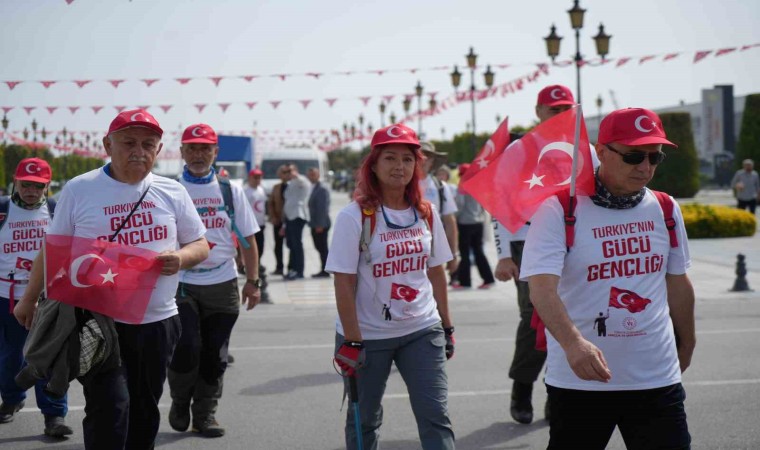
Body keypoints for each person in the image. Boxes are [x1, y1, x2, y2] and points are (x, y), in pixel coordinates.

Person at [14, 109, 209, 450]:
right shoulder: (80, 189)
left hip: (159, 321)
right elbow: (53, 249)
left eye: (149, 144)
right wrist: (30, 297)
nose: (139, 151)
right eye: (129, 142)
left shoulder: (172, 191)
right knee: (110, 407)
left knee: (145, 409)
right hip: (98, 322)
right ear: (108, 144)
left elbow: (201, 244)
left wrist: (180, 258)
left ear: (159, 150)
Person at [521, 107, 695, 449]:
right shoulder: (560, 209)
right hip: (580, 381)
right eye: (633, 156)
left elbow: (678, 282)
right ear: (601, 152)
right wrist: (573, 344)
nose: (645, 167)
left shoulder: (665, 208)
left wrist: (688, 341)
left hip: (656, 377)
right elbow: (541, 289)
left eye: (654, 157)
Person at [329, 123, 455, 450]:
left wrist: (448, 325)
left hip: (423, 329)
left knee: (435, 414)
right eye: (390, 158)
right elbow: (343, 281)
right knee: (365, 419)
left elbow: (437, 272)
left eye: (408, 159)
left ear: (418, 166)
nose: (400, 166)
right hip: (368, 336)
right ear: (373, 164)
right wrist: (353, 341)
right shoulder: (354, 216)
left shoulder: (425, 212)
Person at [169, 123, 261, 437]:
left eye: (205, 148)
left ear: (215, 152)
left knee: (215, 354)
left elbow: (247, 238)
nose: (198, 155)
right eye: (192, 148)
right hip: (180, 282)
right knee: (187, 346)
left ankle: (205, 414)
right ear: (181, 152)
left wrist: (253, 281)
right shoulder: (169, 188)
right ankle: (180, 400)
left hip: (223, 283)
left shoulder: (230, 190)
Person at [493, 84, 576, 424]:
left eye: (566, 109)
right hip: (527, 241)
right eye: (554, 109)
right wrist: (503, 254)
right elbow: (499, 201)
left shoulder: (581, 146)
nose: (560, 115)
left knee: (571, 315)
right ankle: (522, 388)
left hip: (572, 238)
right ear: (539, 111)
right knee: (534, 318)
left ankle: (557, 392)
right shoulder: (520, 149)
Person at [0, 158, 72, 437]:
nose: (31, 190)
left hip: (49, 297)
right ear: (16, 182)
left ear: (47, 186)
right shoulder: (3, 210)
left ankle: (54, 415)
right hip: (7, 296)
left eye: (38, 186)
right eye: (26, 184)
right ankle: (12, 398)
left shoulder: (57, 210)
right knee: (10, 358)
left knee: (50, 357)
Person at [453, 163, 495, 290]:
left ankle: (465, 282)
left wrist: (454, 218)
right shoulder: (478, 185)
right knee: (479, 251)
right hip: (479, 222)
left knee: (465, 253)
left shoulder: (462, 187)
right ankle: (488, 279)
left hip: (465, 223)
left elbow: (459, 205)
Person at [419, 142, 458, 277]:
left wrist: (453, 254)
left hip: (433, 249)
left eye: (427, 157)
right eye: (419, 155)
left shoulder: (440, 186)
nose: (423, 159)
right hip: (407, 250)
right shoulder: (400, 186)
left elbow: (449, 221)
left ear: (432, 161)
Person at [282, 163, 311, 280]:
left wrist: (296, 175)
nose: (289, 173)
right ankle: (293, 269)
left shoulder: (301, 180)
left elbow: (303, 183)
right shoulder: (290, 183)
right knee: (291, 245)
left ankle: (299, 271)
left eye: (290, 171)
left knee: (297, 244)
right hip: (290, 217)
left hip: (298, 216)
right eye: (287, 171)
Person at [306, 167, 331, 278]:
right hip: (315, 223)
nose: (311, 176)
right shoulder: (313, 187)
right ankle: (324, 268)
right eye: (310, 174)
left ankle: (325, 270)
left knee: (322, 247)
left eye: (313, 174)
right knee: (318, 246)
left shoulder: (321, 189)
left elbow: (322, 208)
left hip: (321, 224)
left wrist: (320, 224)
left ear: (318, 175)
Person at [268, 165, 289, 275]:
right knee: (278, 245)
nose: (285, 174)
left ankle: (292, 268)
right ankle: (279, 267)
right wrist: (273, 217)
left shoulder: (293, 186)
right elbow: (271, 203)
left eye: (287, 172)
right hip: (278, 220)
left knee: (292, 245)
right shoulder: (276, 187)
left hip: (290, 220)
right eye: (282, 172)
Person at [244, 168, 268, 262]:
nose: (258, 179)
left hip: (261, 223)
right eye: (255, 177)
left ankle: (258, 263)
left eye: (259, 177)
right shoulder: (245, 191)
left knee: (261, 246)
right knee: (253, 246)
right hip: (251, 224)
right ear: (250, 178)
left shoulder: (261, 190)